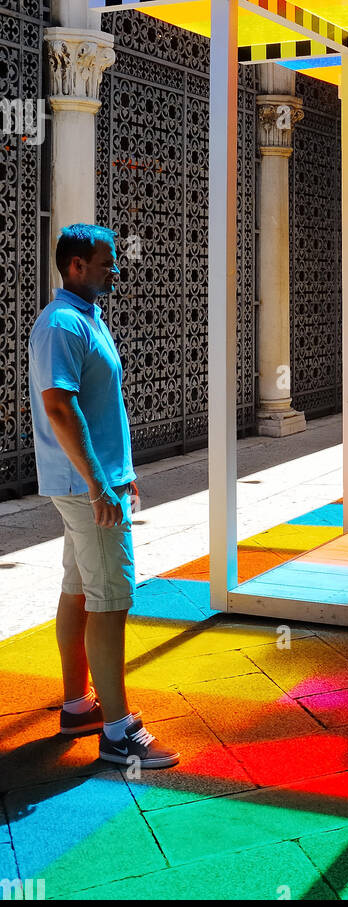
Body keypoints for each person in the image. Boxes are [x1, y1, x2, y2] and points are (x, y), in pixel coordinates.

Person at [28, 223, 179, 768]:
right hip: (85, 487)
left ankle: (77, 706)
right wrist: (98, 482)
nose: (115, 269)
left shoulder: (85, 318)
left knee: (80, 590)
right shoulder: (62, 324)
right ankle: (117, 731)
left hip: (96, 481)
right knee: (111, 599)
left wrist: (122, 471)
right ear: (74, 266)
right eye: (106, 261)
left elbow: (98, 406)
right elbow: (61, 409)